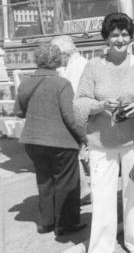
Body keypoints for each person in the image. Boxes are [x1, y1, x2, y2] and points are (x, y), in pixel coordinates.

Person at [75, 13, 134, 253]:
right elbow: (79, 102)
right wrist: (100, 106)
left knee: (133, 196)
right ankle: (101, 247)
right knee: (102, 197)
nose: (120, 39)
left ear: (131, 37)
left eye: (124, 34)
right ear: (106, 38)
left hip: (132, 141)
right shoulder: (93, 66)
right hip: (101, 142)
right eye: (114, 35)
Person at [14, 44, 87, 237]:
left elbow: (19, 112)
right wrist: (84, 138)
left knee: (44, 181)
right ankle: (65, 225)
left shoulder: (26, 83)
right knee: (66, 183)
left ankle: (45, 223)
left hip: (33, 142)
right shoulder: (61, 84)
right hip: (61, 143)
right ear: (57, 60)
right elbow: (71, 117)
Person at [50, 35, 92, 205]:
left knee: (86, 157)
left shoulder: (77, 68)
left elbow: (73, 101)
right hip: (78, 121)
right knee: (82, 158)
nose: (55, 58)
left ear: (64, 53)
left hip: (80, 121)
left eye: (56, 54)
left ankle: (87, 192)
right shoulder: (72, 66)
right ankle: (86, 191)